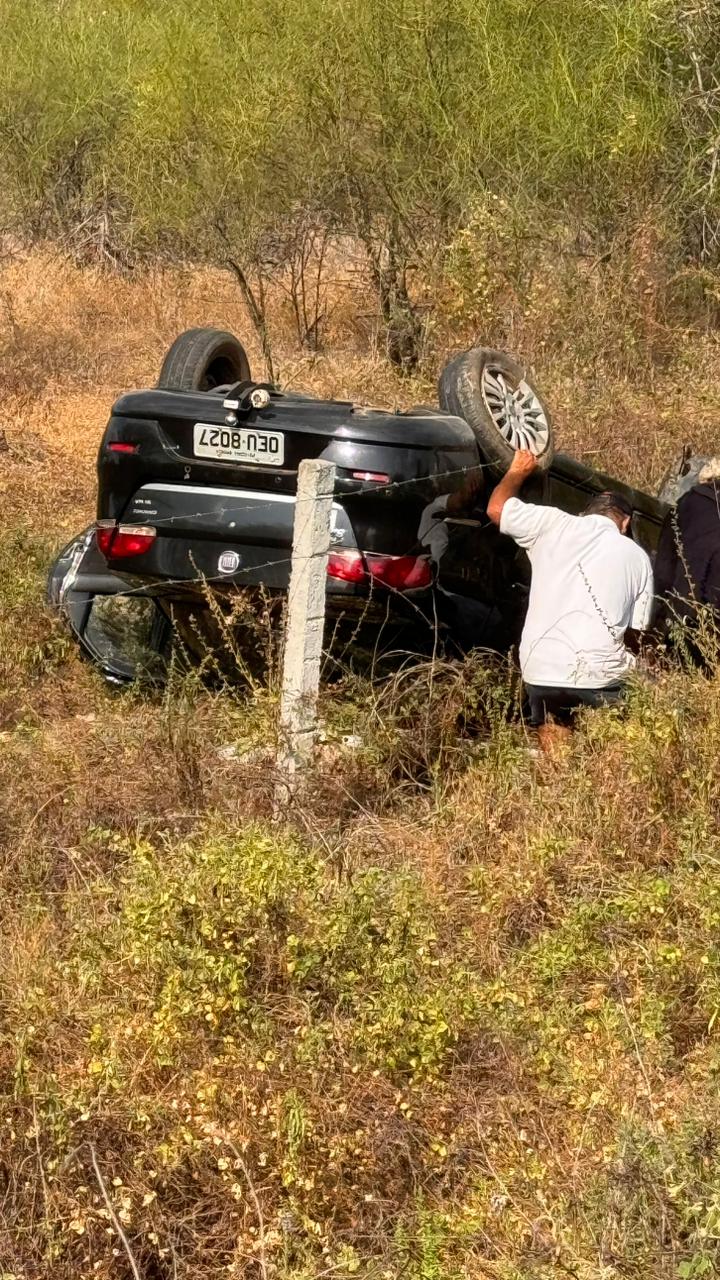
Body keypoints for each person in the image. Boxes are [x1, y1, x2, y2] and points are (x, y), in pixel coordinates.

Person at [486, 450, 654, 749]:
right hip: (602, 675)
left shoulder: (553, 523)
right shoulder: (638, 558)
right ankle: (612, 778)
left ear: (585, 512)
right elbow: (636, 636)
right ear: (625, 523)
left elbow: (497, 509)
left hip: (541, 667)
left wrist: (517, 471)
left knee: (553, 724)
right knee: (632, 720)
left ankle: (556, 782)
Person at [654, 457, 720, 665]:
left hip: (674, 620)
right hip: (702, 631)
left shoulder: (685, 504)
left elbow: (664, 568)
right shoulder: (710, 513)